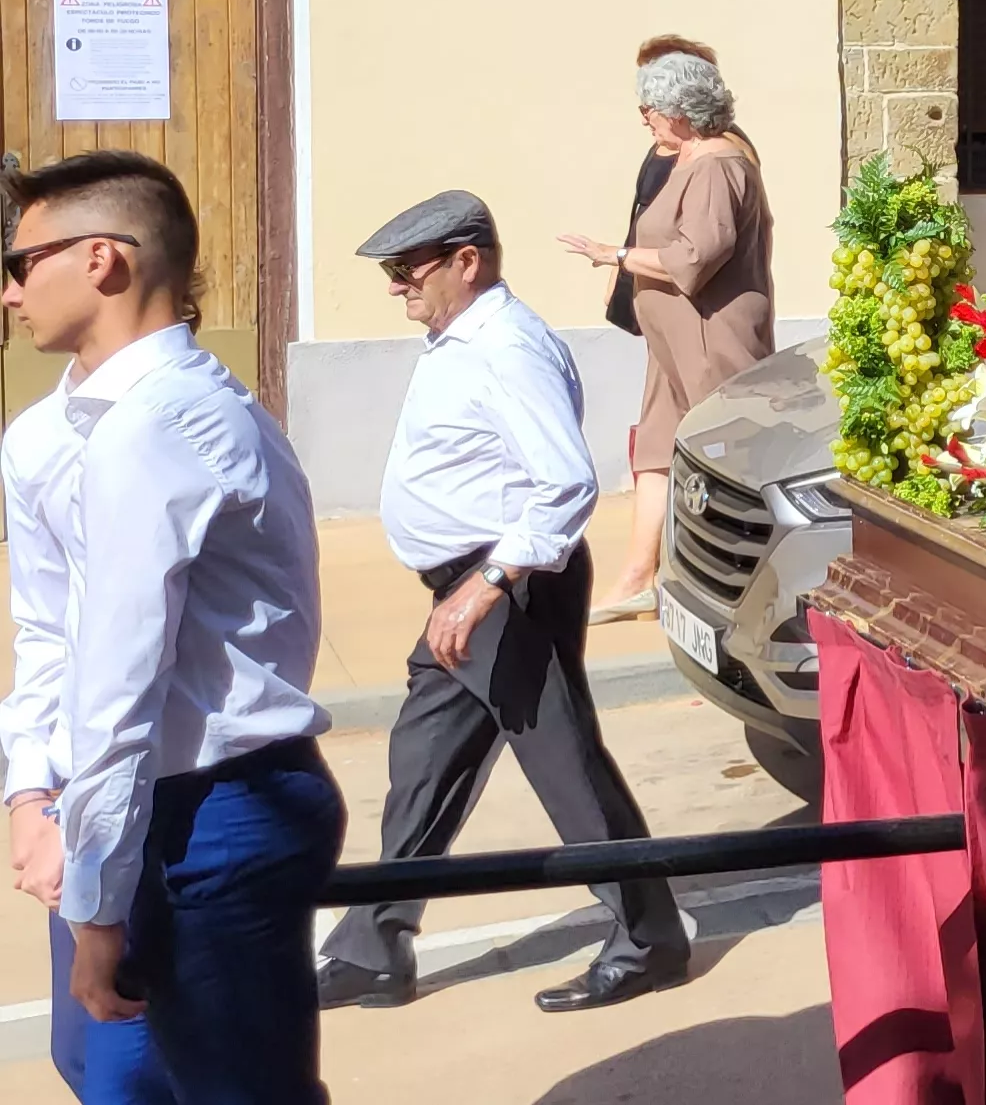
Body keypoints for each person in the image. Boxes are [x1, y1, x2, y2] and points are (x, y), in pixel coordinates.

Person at [0, 151, 342, 1102]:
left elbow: (121, 675)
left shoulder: (167, 424)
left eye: (21, 262)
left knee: (230, 1092)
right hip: (119, 806)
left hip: (214, 812)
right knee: (106, 1074)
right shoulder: (43, 436)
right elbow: (49, 634)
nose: (8, 291)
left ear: (101, 259)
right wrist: (32, 792)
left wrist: (98, 908)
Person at [316, 191, 688, 1015]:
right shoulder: (459, 340)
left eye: (406, 269)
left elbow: (566, 483)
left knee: (567, 767)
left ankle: (647, 937)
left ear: (466, 260)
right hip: (467, 591)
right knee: (422, 765)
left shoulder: (507, 348)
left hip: (505, 589)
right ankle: (374, 947)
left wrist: (484, 589)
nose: (395, 286)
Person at [560, 50, 773, 616]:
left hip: (710, 338)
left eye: (650, 106)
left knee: (728, 454)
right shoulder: (685, 158)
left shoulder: (718, 164)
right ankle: (637, 579)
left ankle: (742, 579)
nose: (643, 116)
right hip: (672, 342)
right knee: (655, 452)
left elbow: (697, 254)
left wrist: (619, 256)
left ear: (680, 109)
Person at [602, 34, 733, 346]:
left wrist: (619, 258)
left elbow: (699, 248)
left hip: (691, 312)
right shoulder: (664, 146)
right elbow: (642, 215)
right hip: (649, 290)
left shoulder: (714, 153)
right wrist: (618, 277)